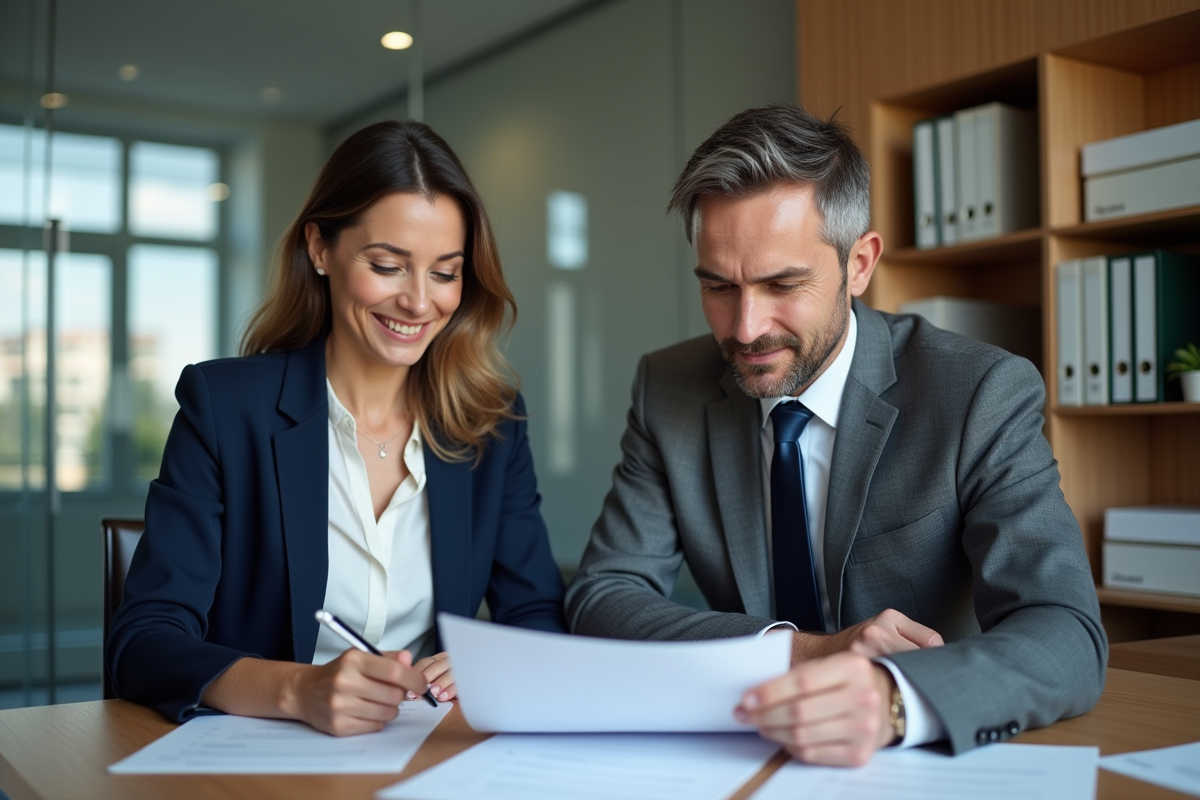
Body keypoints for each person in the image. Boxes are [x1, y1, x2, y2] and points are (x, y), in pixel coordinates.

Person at [565, 104, 1106, 765]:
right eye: (718, 287)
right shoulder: (669, 388)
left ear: (859, 264)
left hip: (919, 762)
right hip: (740, 752)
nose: (744, 327)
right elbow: (603, 596)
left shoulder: (978, 393)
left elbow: (1065, 632)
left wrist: (893, 698)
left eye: (781, 284)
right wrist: (800, 648)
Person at [107, 120, 566, 735]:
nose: (419, 302)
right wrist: (299, 689)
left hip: (422, 755)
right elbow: (144, 641)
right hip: (259, 761)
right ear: (320, 249)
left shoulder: (491, 425)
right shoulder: (224, 406)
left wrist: (489, 663)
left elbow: (536, 612)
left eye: (445, 272)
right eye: (387, 265)